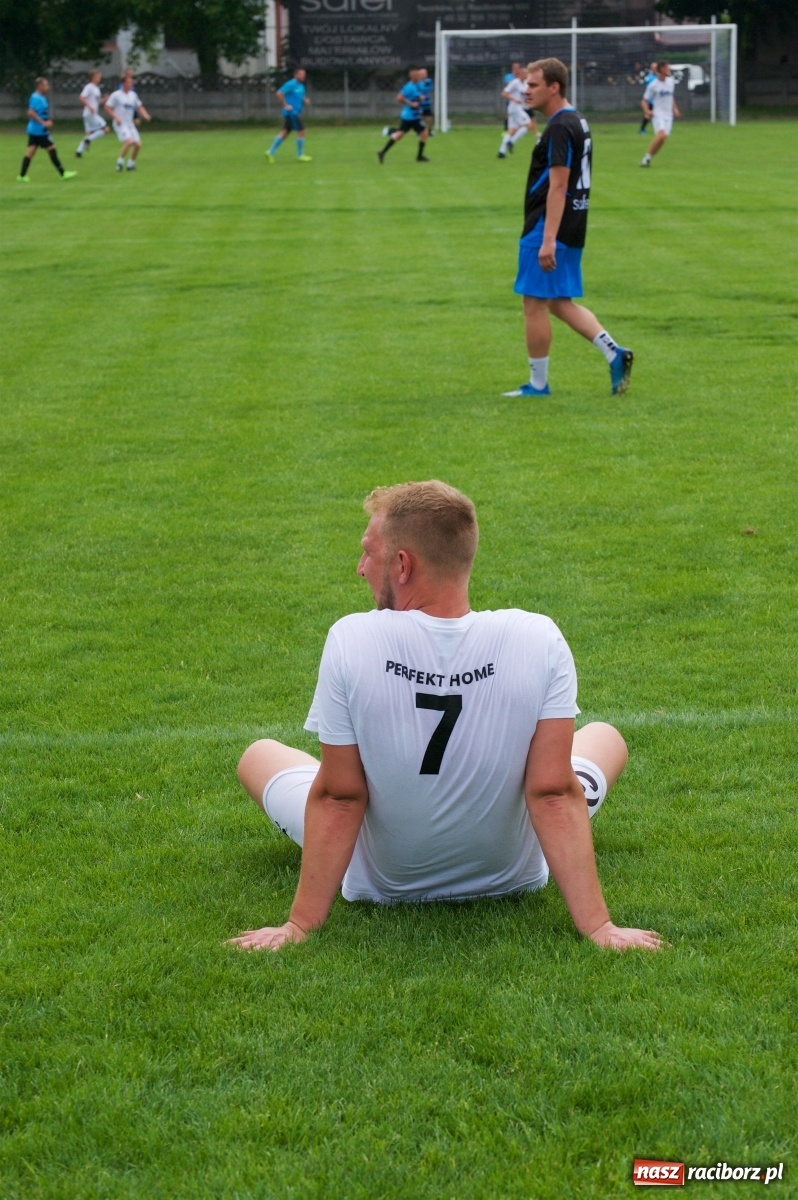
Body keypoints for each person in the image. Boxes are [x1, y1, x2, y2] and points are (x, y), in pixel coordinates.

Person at [229, 480, 663, 955]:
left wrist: (299, 925)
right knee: (604, 736)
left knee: (259, 755)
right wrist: (599, 927)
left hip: (384, 881)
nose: (360, 568)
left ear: (402, 565)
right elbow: (553, 792)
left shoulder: (353, 639)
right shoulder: (538, 636)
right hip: (512, 874)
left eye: (368, 552)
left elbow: (340, 796)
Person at [503, 58, 633, 399]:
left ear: (554, 87)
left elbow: (558, 186)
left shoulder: (560, 127)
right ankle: (614, 353)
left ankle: (537, 385)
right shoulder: (578, 120)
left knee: (533, 304)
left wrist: (547, 240)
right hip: (574, 224)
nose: (526, 90)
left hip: (548, 227)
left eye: (533, 85)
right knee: (559, 301)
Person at [17, 78, 77, 183]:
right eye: (45, 85)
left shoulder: (39, 97)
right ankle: (63, 173)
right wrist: (43, 122)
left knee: (30, 152)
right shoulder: (36, 98)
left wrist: (47, 120)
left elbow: (40, 112)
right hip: (40, 131)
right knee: (52, 149)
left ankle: (22, 176)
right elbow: (30, 112)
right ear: (39, 86)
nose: (47, 87)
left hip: (34, 130)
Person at [378, 69, 430, 164]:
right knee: (424, 133)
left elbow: (414, 96)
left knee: (399, 135)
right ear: (414, 77)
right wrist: (411, 104)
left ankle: (382, 152)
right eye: (418, 75)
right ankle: (419, 156)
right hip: (411, 117)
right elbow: (399, 98)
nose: (420, 77)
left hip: (410, 116)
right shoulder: (409, 87)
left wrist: (419, 98)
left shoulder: (415, 85)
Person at [104, 73, 152, 172]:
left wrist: (145, 115)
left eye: (131, 82)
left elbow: (139, 106)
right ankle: (119, 164)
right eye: (128, 82)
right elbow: (107, 107)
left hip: (130, 124)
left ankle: (131, 165)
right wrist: (115, 117)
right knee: (129, 142)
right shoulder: (116, 95)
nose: (130, 84)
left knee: (138, 144)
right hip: (120, 124)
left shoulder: (133, 95)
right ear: (123, 83)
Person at [266, 68, 312, 163]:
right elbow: (279, 93)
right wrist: (285, 105)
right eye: (301, 74)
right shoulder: (291, 84)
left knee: (285, 132)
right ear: (295, 75)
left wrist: (304, 100)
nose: (303, 76)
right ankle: (300, 155)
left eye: (304, 74)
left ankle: (270, 152)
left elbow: (299, 95)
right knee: (302, 130)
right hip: (292, 113)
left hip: (294, 112)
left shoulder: (301, 86)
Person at [640, 61, 680, 167]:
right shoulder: (653, 85)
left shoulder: (671, 82)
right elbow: (644, 100)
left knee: (663, 139)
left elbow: (670, 97)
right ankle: (646, 158)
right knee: (661, 135)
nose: (669, 69)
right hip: (658, 114)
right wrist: (647, 111)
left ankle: (647, 158)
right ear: (661, 69)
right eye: (667, 68)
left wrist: (675, 109)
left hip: (668, 115)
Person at [497, 65, 537, 158]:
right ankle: (511, 142)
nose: (527, 75)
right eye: (525, 74)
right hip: (515, 108)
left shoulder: (524, 84)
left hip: (516, 108)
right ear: (520, 74)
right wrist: (514, 99)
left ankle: (501, 152)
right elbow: (503, 94)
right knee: (528, 125)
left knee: (511, 130)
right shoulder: (515, 82)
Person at [75, 70, 110, 157]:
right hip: (90, 113)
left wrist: (104, 99)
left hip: (89, 114)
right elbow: (82, 97)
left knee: (89, 133)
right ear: (93, 77)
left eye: (99, 76)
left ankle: (78, 151)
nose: (99, 78)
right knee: (106, 129)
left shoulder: (96, 88)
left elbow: (98, 101)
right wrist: (89, 106)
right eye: (97, 76)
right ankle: (89, 140)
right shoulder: (89, 87)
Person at [638, 61, 657, 134]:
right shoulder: (650, 78)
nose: (656, 69)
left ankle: (662, 129)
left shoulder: (658, 76)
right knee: (648, 114)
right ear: (651, 68)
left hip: (658, 100)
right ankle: (642, 129)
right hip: (651, 100)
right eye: (654, 68)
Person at [417, 67, 434, 135]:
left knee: (429, 116)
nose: (424, 75)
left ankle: (429, 131)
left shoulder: (428, 81)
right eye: (423, 73)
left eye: (425, 73)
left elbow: (430, 88)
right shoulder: (417, 82)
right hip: (418, 103)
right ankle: (419, 131)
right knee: (419, 117)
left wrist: (423, 88)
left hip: (427, 102)